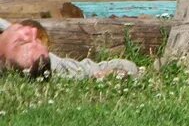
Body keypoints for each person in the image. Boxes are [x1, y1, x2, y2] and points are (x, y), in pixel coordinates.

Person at [0, 17, 141, 79]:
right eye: (36, 40)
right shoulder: (57, 69)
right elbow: (128, 67)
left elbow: (127, 67)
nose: (33, 31)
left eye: (23, 42)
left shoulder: (54, 67)